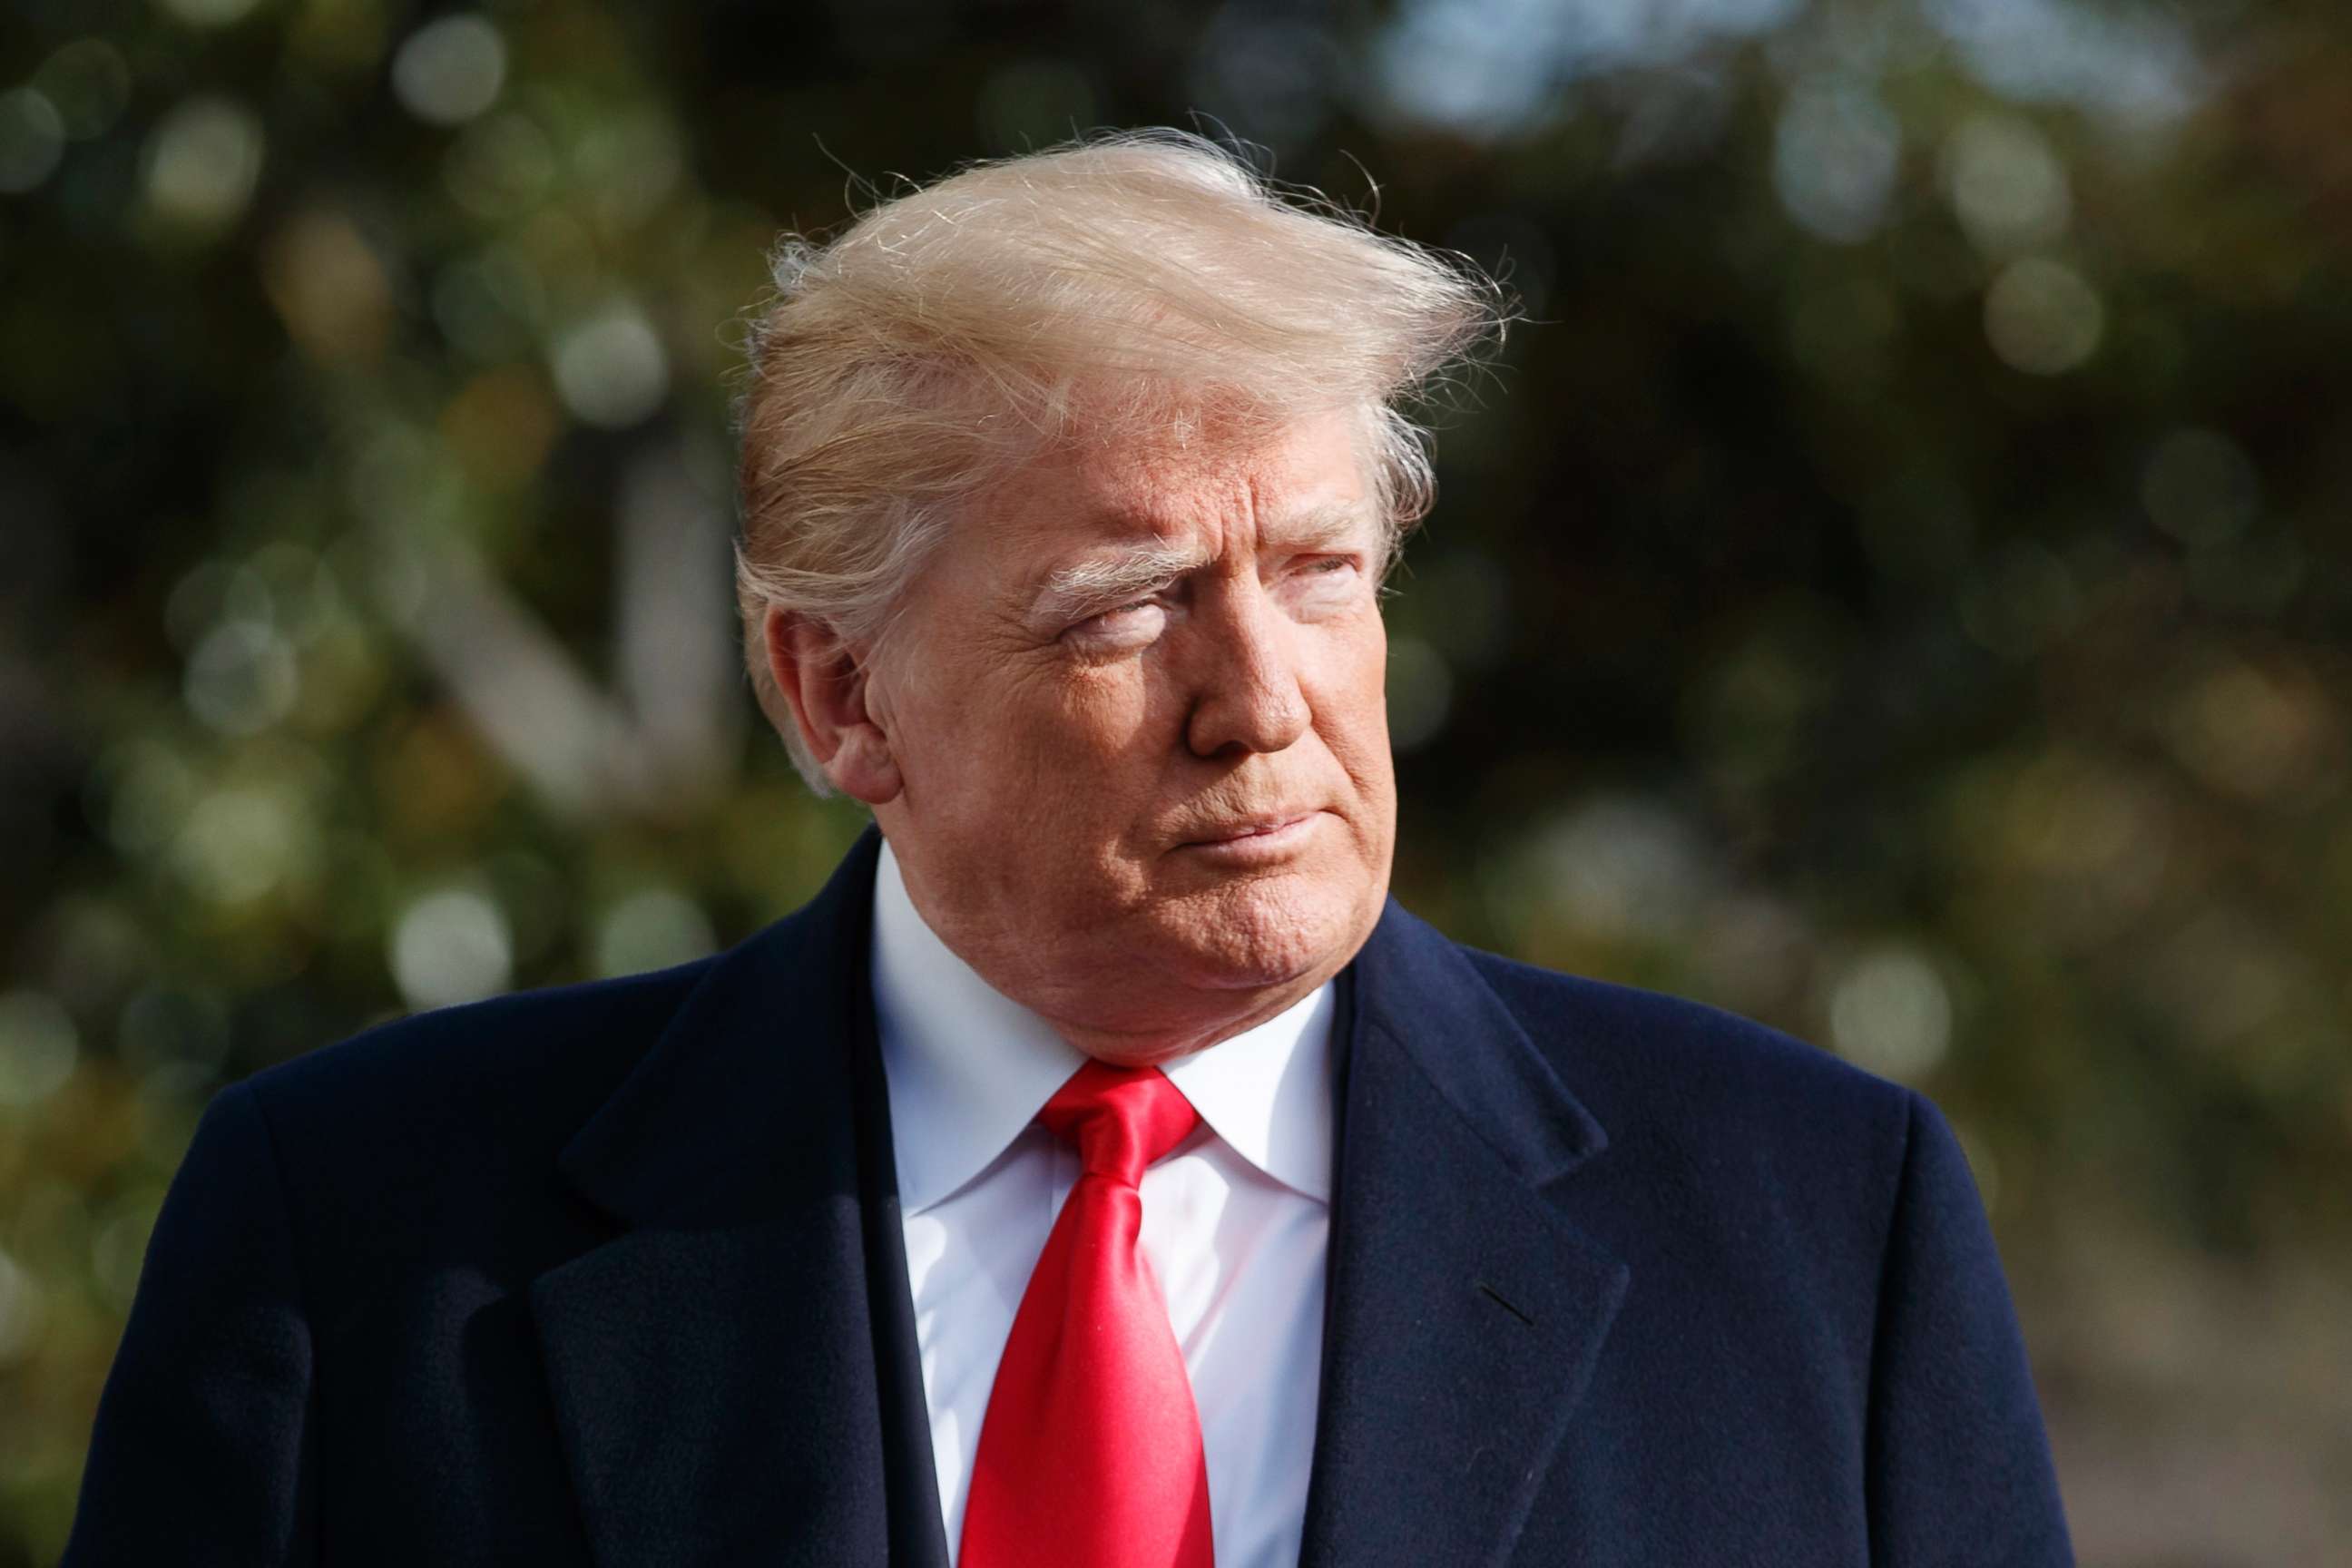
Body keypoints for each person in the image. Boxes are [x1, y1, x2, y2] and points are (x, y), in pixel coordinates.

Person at [63, 132, 2073, 1567]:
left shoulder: (1815, 1223)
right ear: (841, 695)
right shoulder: (358, 1239)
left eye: (1320, 572)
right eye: (1127, 606)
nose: (1262, 696)